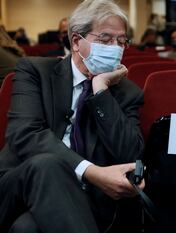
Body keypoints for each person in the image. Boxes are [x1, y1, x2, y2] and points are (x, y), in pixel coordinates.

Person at [0, 0, 145, 232]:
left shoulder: (128, 92)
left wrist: (101, 91)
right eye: (105, 39)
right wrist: (90, 171)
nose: (116, 48)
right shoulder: (35, 71)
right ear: (77, 41)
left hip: (86, 200)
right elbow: (24, 135)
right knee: (46, 164)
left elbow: (131, 153)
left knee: (27, 228)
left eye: (121, 41)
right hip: (20, 185)